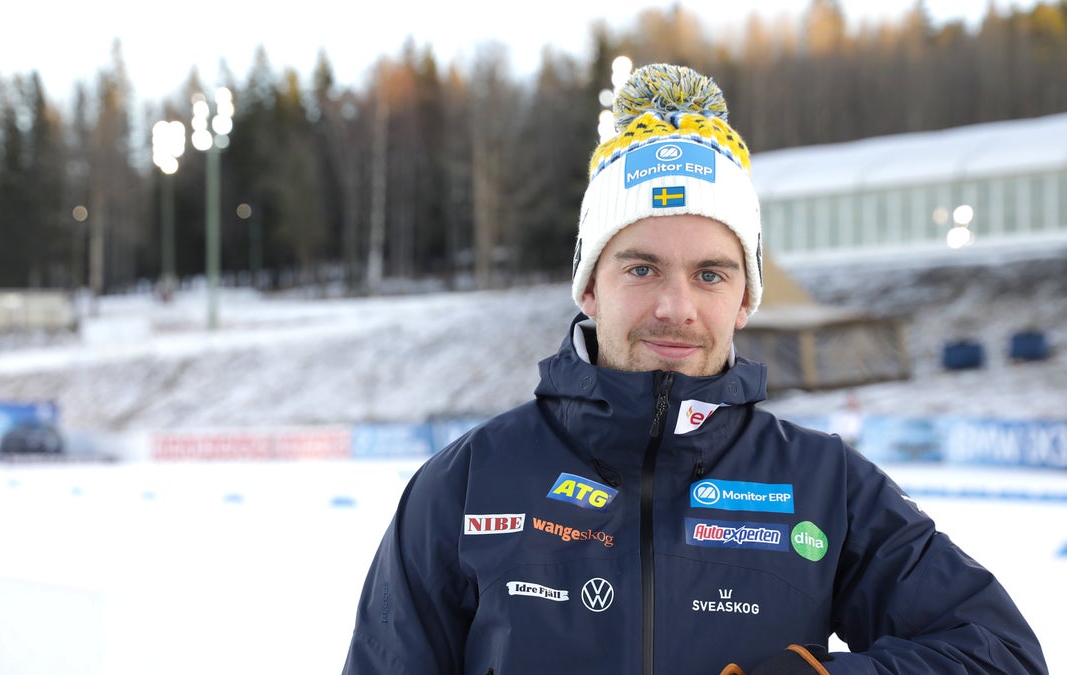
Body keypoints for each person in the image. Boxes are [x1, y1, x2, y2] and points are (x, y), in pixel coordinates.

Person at [341, 63, 1047, 674]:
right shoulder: (465, 485)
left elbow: (1001, 652)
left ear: (745, 297)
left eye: (711, 273)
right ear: (589, 286)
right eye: (642, 267)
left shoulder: (825, 486)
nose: (676, 306)